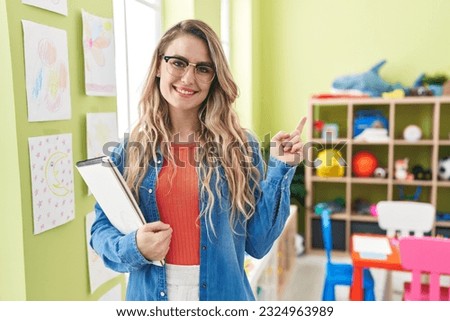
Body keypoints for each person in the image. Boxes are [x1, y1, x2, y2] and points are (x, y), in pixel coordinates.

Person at [90, 19, 306, 301]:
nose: (188, 78)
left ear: (214, 78)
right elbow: (100, 231)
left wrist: (281, 168)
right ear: (159, 65)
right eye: (178, 62)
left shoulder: (241, 148)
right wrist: (135, 247)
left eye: (203, 68)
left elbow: (258, 243)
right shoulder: (129, 150)